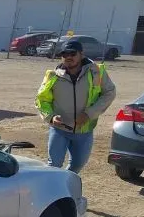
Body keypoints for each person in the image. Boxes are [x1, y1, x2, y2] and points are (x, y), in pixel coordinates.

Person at [34, 38, 116, 173]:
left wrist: (89, 114)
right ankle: (54, 192)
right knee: (53, 166)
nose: (68, 57)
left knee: (77, 165)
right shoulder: (52, 76)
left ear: (81, 54)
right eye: (64, 54)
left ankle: (66, 186)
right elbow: (41, 99)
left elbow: (109, 93)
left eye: (72, 53)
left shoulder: (96, 72)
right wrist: (51, 117)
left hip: (84, 131)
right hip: (59, 129)